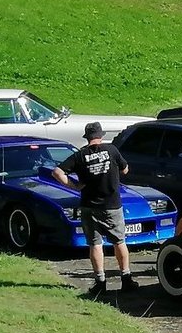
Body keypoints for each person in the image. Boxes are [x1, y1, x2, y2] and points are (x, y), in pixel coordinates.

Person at [53, 122, 134, 295]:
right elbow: (125, 170)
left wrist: (74, 186)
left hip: (89, 206)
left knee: (95, 244)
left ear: (87, 137)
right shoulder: (112, 150)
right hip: (112, 205)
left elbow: (57, 172)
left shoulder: (80, 156)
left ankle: (100, 282)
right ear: (100, 136)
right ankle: (126, 279)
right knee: (119, 241)